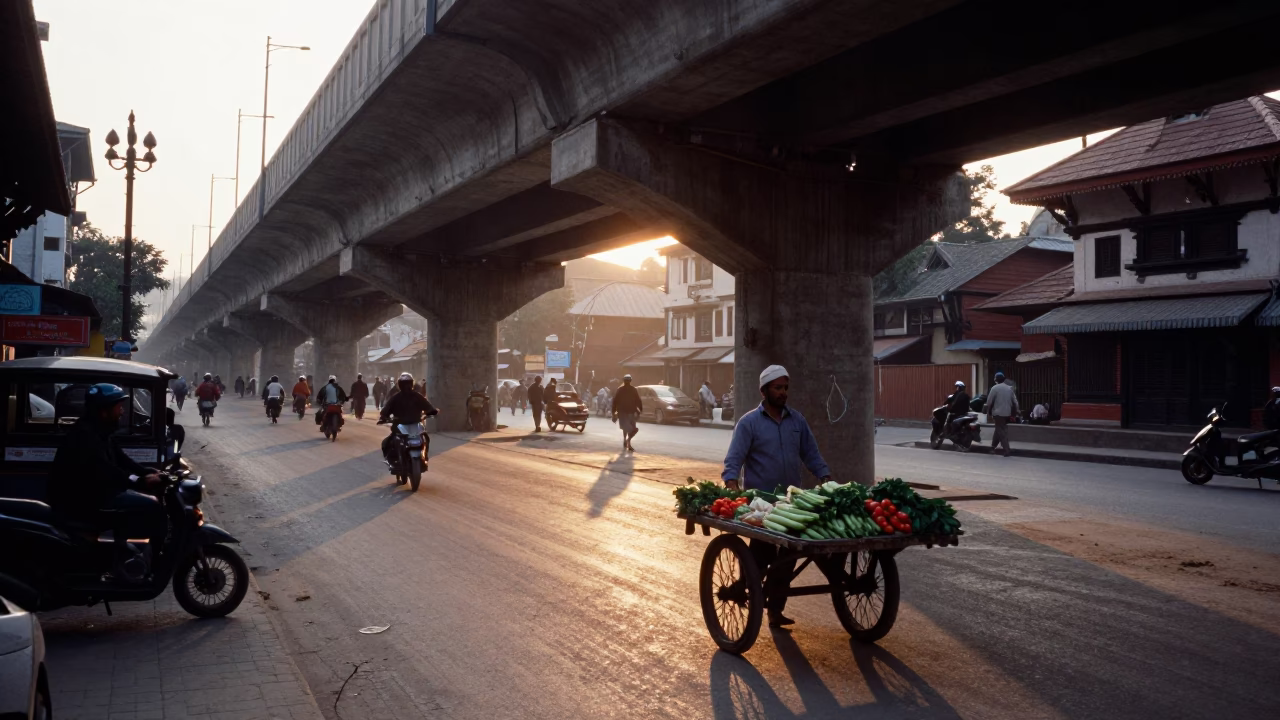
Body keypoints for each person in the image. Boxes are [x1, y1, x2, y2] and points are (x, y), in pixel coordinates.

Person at [722, 365, 832, 628]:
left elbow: (811, 453)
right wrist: (731, 483)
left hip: (789, 503)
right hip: (762, 505)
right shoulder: (749, 422)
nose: (783, 393)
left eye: (785, 388)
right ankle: (744, 587)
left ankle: (774, 609)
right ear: (764, 391)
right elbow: (735, 457)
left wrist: (825, 477)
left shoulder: (797, 421)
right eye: (777, 388)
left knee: (787, 558)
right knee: (761, 556)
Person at [48, 384, 165, 578]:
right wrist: (140, 481)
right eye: (118, 407)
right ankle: (155, 564)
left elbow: (120, 458)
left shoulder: (99, 431)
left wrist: (147, 471)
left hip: (95, 494)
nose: (122, 412)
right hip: (83, 501)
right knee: (153, 508)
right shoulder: (85, 436)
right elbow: (107, 471)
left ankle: (121, 558)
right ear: (104, 411)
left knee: (136, 504)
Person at [379, 373, 440, 469]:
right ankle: (395, 461)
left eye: (407, 384)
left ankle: (424, 457)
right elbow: (429, 407)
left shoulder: (397, 397)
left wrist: (383, 417)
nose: (406, 386)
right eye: (405, 384)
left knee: (387, 443)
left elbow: (385, 411)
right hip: (408, 425)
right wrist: (433, 412)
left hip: (407, 424)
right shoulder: (416, 396)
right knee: (390, 442)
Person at [983, 372, 1020, 457]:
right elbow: (1015, 402)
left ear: (995, 380)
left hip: (998, 414)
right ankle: (992, 448)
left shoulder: (994, 388)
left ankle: (1007, 450)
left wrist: (988, 411)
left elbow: (989, 402)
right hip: (1007, 414)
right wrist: (1017, 411)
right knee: (998, 430)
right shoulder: (1009, 388)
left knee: (1001, 431)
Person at [611, 374, 643, 452]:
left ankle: (627, 441)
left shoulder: (631, 389)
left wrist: (639, 410)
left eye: (628, 380)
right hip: (624, 412)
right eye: (627, 380)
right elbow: (615, 401)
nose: (627, 382)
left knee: (631, 429)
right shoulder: (623, 390)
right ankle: (627, 441)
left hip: (628, 412)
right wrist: (614, 413)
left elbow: (638, 400)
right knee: (629, 428)